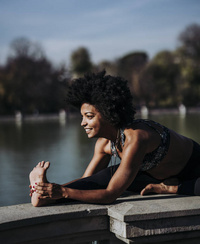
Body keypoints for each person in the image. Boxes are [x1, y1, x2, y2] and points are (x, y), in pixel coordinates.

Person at [29, 71, 200, 207]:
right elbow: (87, 182)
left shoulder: (136, 138)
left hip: (194, 168)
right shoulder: (103, 144)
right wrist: (51, 190)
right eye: (82, 117)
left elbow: (111, 195)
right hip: (153, 175)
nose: (83, 123)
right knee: (101, 179)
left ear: (108, 114)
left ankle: (169, 188)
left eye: (89, 116)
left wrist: (64, 191)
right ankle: (44, 197)